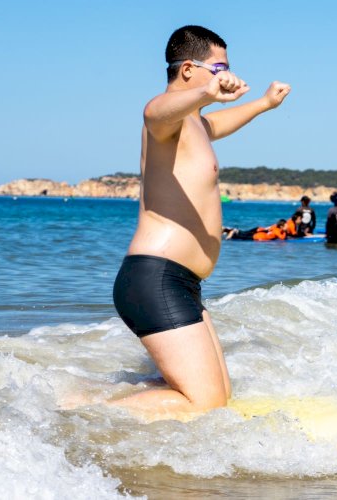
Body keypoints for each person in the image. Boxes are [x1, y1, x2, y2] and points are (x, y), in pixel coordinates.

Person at [111, 25, 291, 415]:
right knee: (203, 403)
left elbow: (218, 124)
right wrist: (208, 94)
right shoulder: (164, 117)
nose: (225, 75)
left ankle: (85, 401)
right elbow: (153, 112)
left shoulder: (194, 124)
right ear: (188, 69)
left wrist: (263, 104)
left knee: (219, 398)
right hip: (155, 276)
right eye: (219, 67)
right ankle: (75, 423)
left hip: (181, 281)